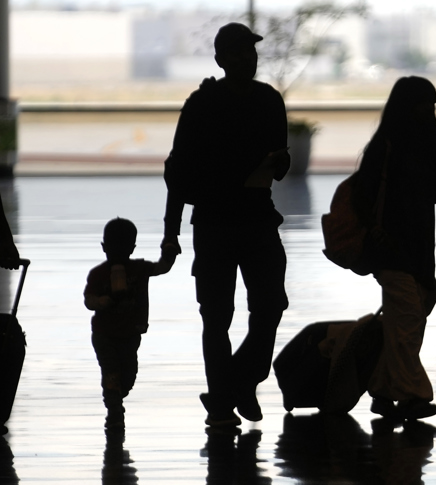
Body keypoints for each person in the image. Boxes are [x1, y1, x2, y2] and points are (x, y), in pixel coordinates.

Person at [161, 22, 291, 427]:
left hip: (241, 218)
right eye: (237, 53)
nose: (245, 59)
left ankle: (229, 388)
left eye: (249, 52)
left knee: (262, 307)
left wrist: (280, 162)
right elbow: (179, 171)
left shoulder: (262, 101)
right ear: (220, 59)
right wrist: (170, 233)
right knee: (224, 314)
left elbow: (178, 172)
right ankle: (234, 388)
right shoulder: (207, 104)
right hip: (226, 221)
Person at [353, 76, 436, 420]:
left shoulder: (416, 147)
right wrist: (375, 231)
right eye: (423, 104)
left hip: (414, 248)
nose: (428, 111)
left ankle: (382, 388)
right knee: (408, 316)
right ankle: (413, 395)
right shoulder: (393, 148)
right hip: (392, 248)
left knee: (405, 317)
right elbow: (363, 197)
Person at [84, 218, 177, 430]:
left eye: (122, 248)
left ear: (132, 249)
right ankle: (114, 410)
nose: (117, 253)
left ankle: (116, 398)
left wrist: (169, 252)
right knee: (111, 371)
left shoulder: (139, 268)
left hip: (130, 334)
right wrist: (101, 302)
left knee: (127, 376)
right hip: (105, 335)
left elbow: (162, 268)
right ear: (104, 248)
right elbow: (89, 300)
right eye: (114, 249)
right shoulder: (98, 274)